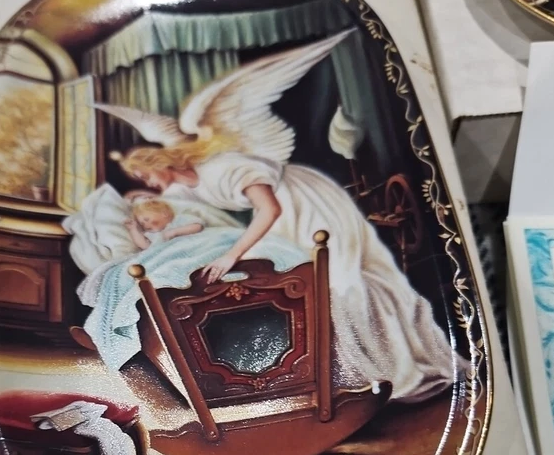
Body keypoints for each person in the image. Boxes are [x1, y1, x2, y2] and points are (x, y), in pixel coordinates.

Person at [114, 143, 459, 403]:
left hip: (306, 204)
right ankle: (333, 376)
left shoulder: (221, 168)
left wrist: (232, 256)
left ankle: (388, 365)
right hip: (281, 215)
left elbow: (270, 209)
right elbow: (173, 208)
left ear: (159, 163)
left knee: (338, 280)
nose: (148, 182)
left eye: (145, 175)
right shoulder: (187, 187)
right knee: (292, 280)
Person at [125, 198, 204, 252]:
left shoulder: (178, 220)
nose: (145, 225)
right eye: (142, 224)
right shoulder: (154, 235)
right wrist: (133, 229)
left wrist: (175, 232)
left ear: (164, 214)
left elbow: (197, 226)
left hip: (195, 245)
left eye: (147, 219)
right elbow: (144, 246)